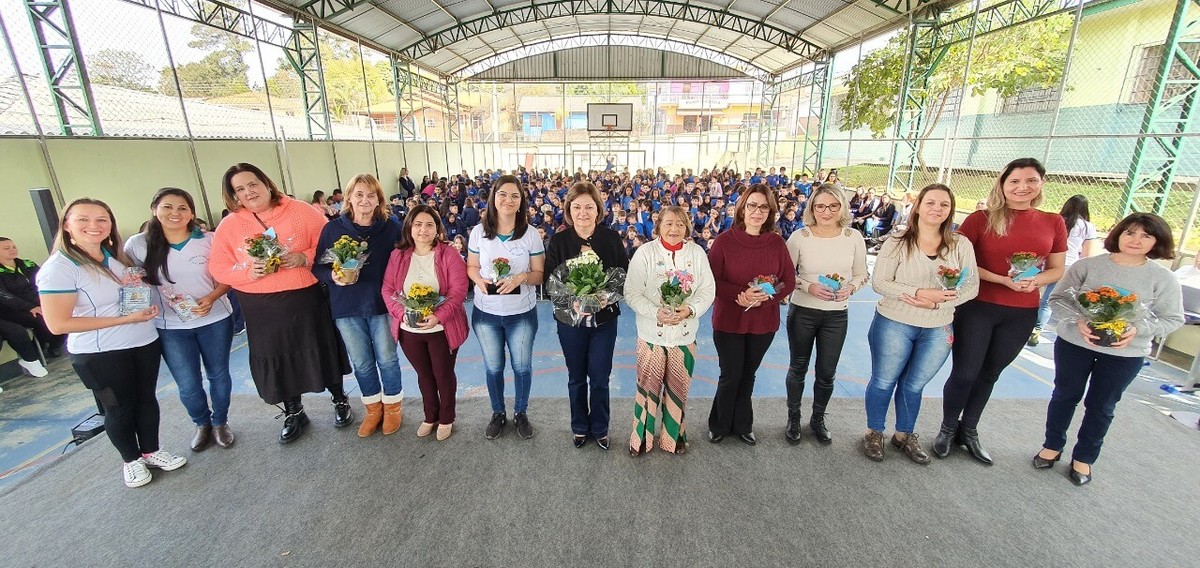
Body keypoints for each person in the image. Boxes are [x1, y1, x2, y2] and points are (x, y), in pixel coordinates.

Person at [38, 198, 187, 488]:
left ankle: (151, 451)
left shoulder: (115, 257)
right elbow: (58, 324)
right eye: (83, 219)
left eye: (101, 219)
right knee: (118, 407)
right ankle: (131, 461)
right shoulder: (60, 267)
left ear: (110, 226)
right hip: (100, 352)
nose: (93, 226)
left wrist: (144, 307)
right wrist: (124, 320)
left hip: (143, 341)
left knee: (146, 399)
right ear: (67, 226)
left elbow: (129, 297)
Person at [208, 163, 353, 444]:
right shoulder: (230, 224)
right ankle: (293, 411)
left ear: (266, 183)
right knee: (277, 358)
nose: (248, 192)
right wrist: (248, 272)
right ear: (233, 195)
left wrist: (305, 257)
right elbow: (218, 266)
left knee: (320, 349)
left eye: (252, 184)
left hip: (303, 298)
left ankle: (339, 399)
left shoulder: (300, 210)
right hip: (260, 307)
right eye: (240, 189)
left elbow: (331, 242)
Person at [1035, 213, 1183, 485]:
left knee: (1102, 406)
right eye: (1130, 232)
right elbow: (1057, 299)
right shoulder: (1088, 265)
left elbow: (1173, 319)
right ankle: (1052, 445)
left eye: (1146, 235)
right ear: (1118, 234)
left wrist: (1138, 330)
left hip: (1124, 355)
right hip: (1074, 345)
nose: (1135, 240)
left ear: (1157, 241)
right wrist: (1077, 319)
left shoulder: (1162, 278)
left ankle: (1084, 459)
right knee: (1064, 395)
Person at [936, 157, 1067, 464]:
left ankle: (969, 430)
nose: (1023, 187)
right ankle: (947, 429)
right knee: (966, 373)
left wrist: (1035, 280)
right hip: (978, 307)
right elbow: (959, 263)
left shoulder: (1053, 222)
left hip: (1021, 312)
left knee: (990, 374)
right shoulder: (981, 219)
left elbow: (1057, 268)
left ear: (1041, 184)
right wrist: (1001, 280)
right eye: (1015, 181)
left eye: (1031, 180)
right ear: (1003, 185)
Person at [862, 184, 979, 463]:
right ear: (918, 206)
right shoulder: (898, 241)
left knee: (914, 386)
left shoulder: (960, 244)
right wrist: (918, 293)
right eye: (930, 203)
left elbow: (971, 285)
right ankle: (873, 432)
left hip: (938, 326)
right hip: (895, 322)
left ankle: (904, 434)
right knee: (883, 381)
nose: (936, 209)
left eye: (944, 204)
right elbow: (880, 282)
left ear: (950, 210)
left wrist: (938, 303)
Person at [125, 188, 236, 451]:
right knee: (187, 382)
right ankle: (202, 424)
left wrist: (211, 298)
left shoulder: (210, 240)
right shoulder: (137, 244)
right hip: (170, 326)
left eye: (182, 208)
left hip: (215, 319)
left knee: (218, 374)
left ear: (191, 213)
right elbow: (132, 281)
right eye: (167, 207)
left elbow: (227, 277)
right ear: (155, 209)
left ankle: (220, 422)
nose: (175, 213)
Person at [313, 174, 406, 438]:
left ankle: (393, 407)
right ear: (349, 197)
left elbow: (405, 261)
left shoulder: (392, 228)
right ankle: (373, 409)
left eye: (371, 195)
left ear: (379, 200)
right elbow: (318, 267)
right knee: (362, 363)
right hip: (347, 307)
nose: (365, 200)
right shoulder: (332, 230)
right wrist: (332, 276)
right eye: (359, 194)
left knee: (387, 360)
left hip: (383, 306)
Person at [706, 184, 796, 446]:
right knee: (730, 374)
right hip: (729, 321)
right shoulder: (724, 241)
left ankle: (743, 424)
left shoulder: (777, 243)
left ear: (770, 212)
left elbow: (788, 281)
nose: (757, 212)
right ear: (742, 209)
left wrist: (769, 297)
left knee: (749, 375)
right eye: (752, 205)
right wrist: (740, 295)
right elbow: (712, 280)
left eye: (763, 207)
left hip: (763, 322)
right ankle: (719, 424)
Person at [624, 206, 715, 456]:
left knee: (678, 389)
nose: (674, 229)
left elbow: (708, 290)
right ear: (658, 227)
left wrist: (690, 309)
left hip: (685, 336)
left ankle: (674, 437)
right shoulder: (645, 252)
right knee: (647, 389)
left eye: (679, 224)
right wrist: (656, 313)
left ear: (687, 226)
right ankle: (640, 438)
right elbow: (631, 292)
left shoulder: (697, 253)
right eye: (668, 224)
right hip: (651, 336)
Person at [545, 181, 629, 450]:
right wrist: (574, 302)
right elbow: (550, 283)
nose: (583, 212)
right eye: (577, 207)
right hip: (570, 324)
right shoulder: (559, 241)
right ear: (569, 210)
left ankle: (601, 428)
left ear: (598, 210)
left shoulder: (611, 239)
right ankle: (580, 427)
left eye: (589, 207)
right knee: (576, 377)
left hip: (604, 322)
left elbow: (622, 278)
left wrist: (601, 299)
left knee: (601, 377)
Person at [782, 185, 868, 445]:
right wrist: (809, 287)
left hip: (836, 315)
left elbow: (861, 274)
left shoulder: (853, 237)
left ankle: (817, 419)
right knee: (798, 367)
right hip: (803, 312)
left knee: (827, 372)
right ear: (812, 209)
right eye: (820, 206)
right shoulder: (800, 237)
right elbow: (786, 275)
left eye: (833, 206)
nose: (826, 211)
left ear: (841, 207)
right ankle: (793, 418)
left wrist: (851, 288)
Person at [466, 174, 545, 440]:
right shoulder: (479, 232)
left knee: (522, 367)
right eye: (503, 194)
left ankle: (520, 412)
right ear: (493, 199)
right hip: (486, 314)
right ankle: (498, 413)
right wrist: (478, 280)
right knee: (494, 367)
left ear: (522, 201)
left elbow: (538, 275)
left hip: (521, 314)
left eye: (514, 195)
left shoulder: (531, 235)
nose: (508, 200)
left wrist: (520, 278)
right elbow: (472, 266)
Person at [382, 205, 469, 441]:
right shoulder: (398, 256)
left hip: (441, 329)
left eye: (429, 224)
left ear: (437, 228)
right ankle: (430, 416)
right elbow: (388, 290)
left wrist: (438, 316)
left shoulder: (448, 255)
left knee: (443, 374)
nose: (423, 229)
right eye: (418, 224)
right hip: (409, 330)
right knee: (424, 375)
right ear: (409, 227)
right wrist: (403, 315)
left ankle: (447, 417)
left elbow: (459, 291)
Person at [1031, 194, 1099, 346]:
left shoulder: (1056, 221)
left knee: (1029, 292)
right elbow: (1087, 254)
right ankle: (1036, 330)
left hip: (1044, 263)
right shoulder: (1088, 227)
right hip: (1068, 267)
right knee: (1048, 301)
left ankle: (1026, 324)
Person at [0, 237, 60, 377]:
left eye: (13, 246)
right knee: (42, 319)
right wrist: (29, 307)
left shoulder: (27, 264)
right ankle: (36, 352)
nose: (12, 250)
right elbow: (4, 296)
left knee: (62, 313)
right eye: (6, 248)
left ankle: (53, 346)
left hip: (39, 303)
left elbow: (45, 280)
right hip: (12, 310)